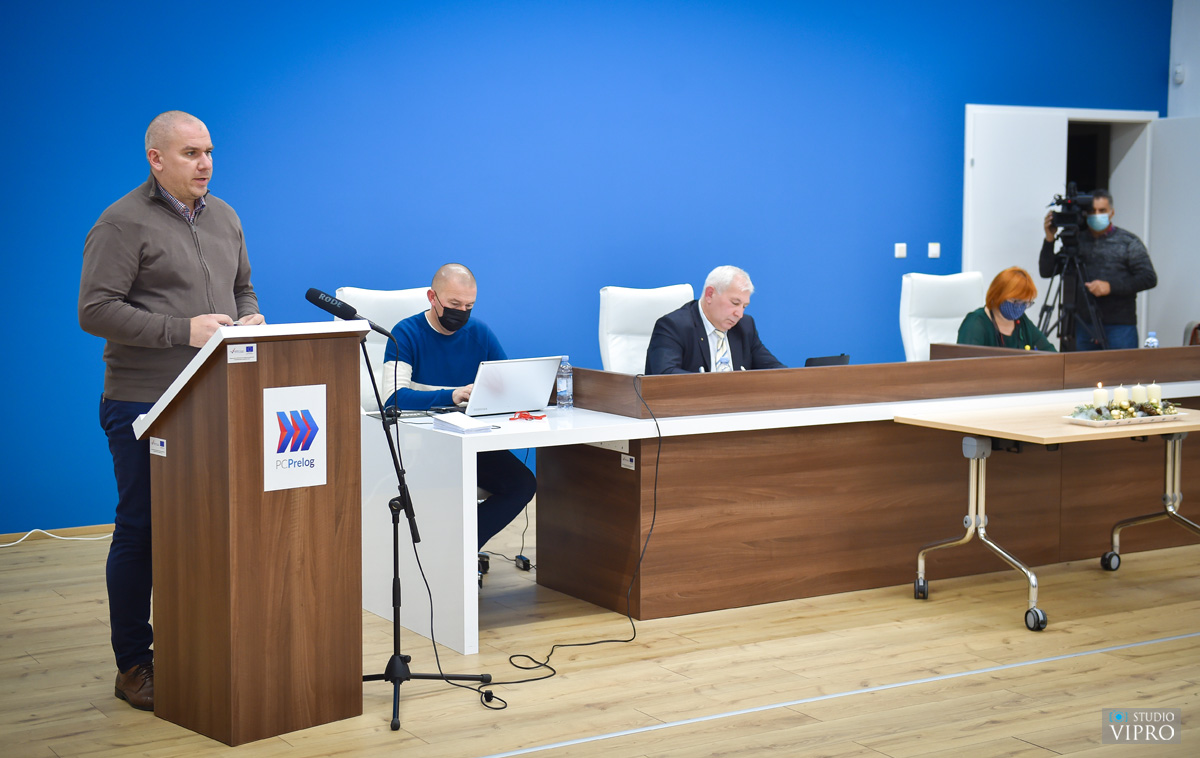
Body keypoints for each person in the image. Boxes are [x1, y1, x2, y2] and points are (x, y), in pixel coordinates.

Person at [78, 111, 263, 711]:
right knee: (143, 529)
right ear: (155, 159)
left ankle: (197, 647)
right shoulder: (121, 221)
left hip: (214, 397)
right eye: (190, 153)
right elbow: (94, 310)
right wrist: (181, 330)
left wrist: (250, 316)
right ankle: (134, 663)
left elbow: (242, 287)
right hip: (143, 400)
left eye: (209, 151)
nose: (205, 163)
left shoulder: (226, 216)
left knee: (208, 528)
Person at [381, 263, 535, 551]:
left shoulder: (480, 333)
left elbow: (507, 384)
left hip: (472, 443)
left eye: (469, 306)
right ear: (432, 297)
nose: (461, 312)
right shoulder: (406, 332)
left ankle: (460, 550)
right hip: (423, 446)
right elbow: (393, 398)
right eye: (454, 304)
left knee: (522, 484)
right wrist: (451, 395)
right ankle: (449, 554)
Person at [1039, 188, 1156, 350]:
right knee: (1086, 367)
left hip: (1119, 326)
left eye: (1102, 210)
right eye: (1092, 211)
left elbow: (1148, 278)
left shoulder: (1128, 242)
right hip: (1084, 324)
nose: (1096, 214)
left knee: (1121, 367)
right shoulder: (1077, 241)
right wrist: (1049, 239)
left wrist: (1110, 287)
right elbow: (1047, 271)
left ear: (1112, 213)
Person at [645, 265, 785, 374]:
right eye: (735, 303)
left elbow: (774, 369)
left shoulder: (745, 326)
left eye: (744, 306)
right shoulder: (673, 326)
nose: (739, 314)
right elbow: (665, 375)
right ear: (710, 294)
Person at [957, 267, 1056, 351]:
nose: (1020, 308)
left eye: (1026, 303)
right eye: (1017, 301)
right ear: (997, 295)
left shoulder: (1022, 322)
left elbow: (1051, 354)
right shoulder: (975, 323)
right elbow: (966, 365)